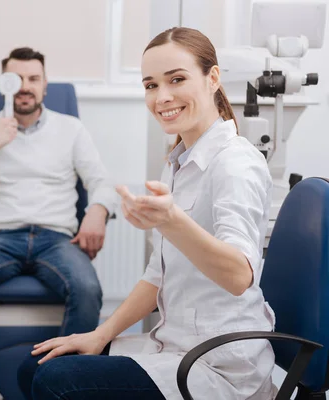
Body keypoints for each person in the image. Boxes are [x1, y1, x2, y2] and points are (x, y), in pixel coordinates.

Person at [17, 27, 276, 400]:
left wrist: (173, 221)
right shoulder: (177, 162)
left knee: (57, 381)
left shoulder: (235, 163)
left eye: (177, 79)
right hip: (173, 347)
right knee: (35, 366)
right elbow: (157, 277)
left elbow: (239, 276)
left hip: (217, 365)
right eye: (150, 85)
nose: (161, 97)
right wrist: (101, 334)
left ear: (213, 78)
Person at [0, 47, 118, 400]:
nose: (25, 86)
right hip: (0, 238)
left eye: (33, 79)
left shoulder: (71, 129)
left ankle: (55, 384)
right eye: (17, 78)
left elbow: (101, 182)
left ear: (45, 85)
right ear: (3, 85)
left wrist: (97, 211)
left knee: (88, 289)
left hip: (56, 238)